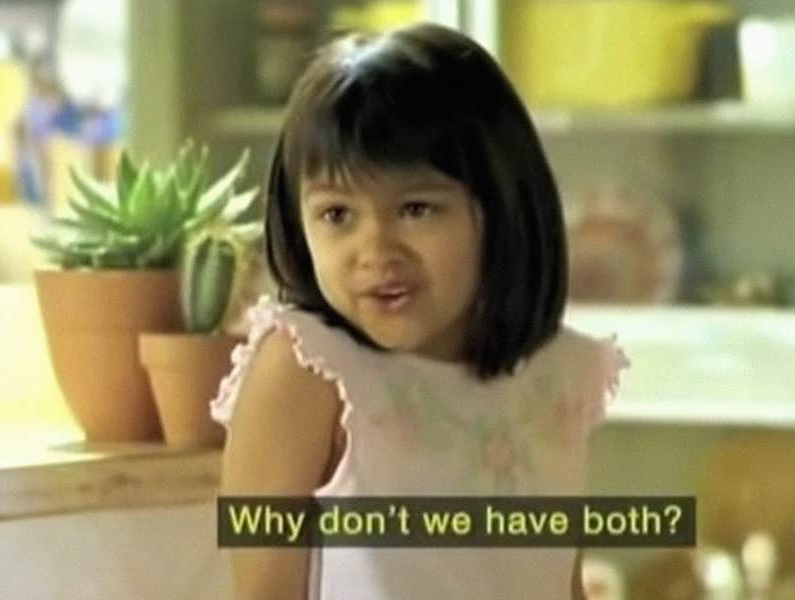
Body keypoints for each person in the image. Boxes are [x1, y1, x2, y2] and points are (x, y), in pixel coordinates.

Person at [211, 22, 628, 600]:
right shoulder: (309, 372)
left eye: (416, 209)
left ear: (502, 206)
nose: (376, 250)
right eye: (337, 215)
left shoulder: (561, 377)